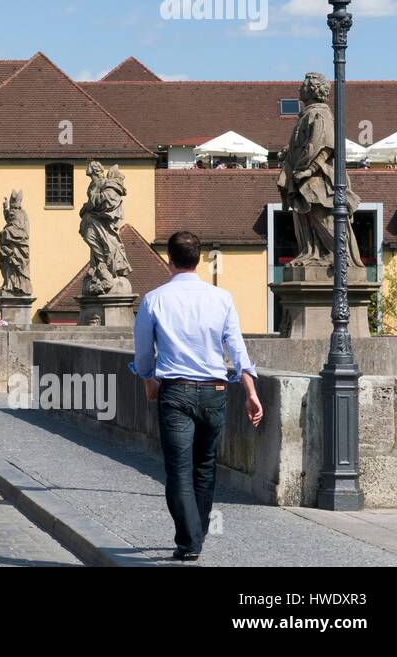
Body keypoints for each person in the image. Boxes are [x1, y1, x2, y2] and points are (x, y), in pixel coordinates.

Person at [133, 231, 263, 562]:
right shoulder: (221, 298)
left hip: (175, 392)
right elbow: (237, 348)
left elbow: (144, 353)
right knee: (204, 467)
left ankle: (190, 539)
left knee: (178, 469)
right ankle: (197, 534)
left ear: (169, 259)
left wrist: (148, 380)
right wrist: (250, 391)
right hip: (214, 392)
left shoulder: (154, 299)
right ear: (200, 258)